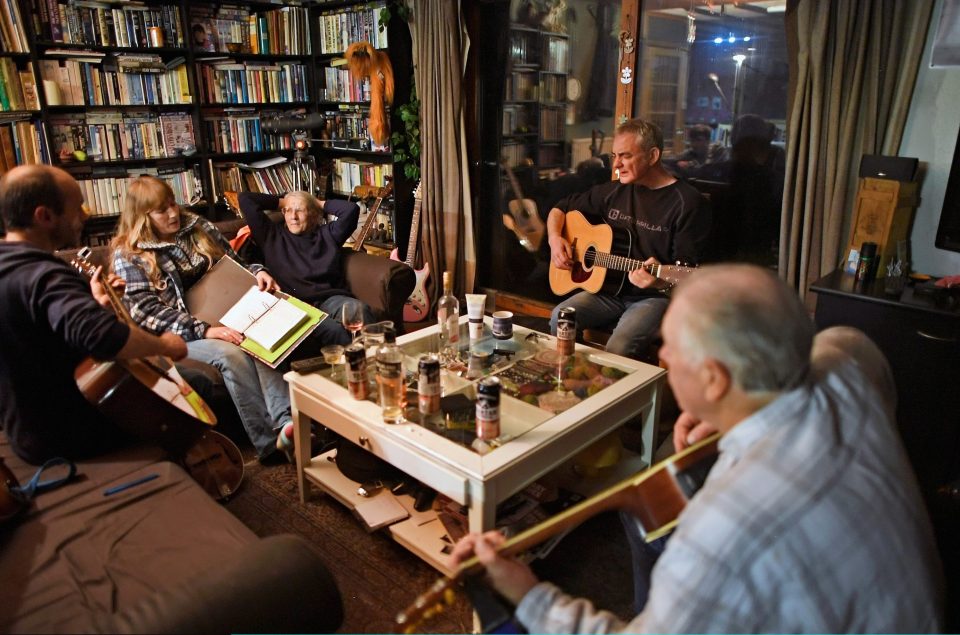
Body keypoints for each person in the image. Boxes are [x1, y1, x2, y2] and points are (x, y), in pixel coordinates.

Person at [450, 264, 944, 633]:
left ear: (714, 378)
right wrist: (726, 411)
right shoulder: (848, 368)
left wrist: (527, 593)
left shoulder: (723, 533)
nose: (661, 355)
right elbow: (841, 339)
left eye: (671, 346)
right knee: (645, 510)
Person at [0, 165, 190, 464]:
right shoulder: (44, 276)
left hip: (25, 434)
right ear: (45, 216)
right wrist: (166, 345)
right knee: (182, 399)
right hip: (73, 436)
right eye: (77, 208)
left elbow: (35, 338)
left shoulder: (9, 264)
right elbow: (104, 337)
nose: (85, 216)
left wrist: (93, 305)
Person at [111, 175, 294, 463]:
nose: (173, 213)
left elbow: (237, 263)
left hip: (230, 315)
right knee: (231, 353)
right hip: (174, 335)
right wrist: (205, 330)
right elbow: (146, 312)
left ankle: (286, 426)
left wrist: (257, 272)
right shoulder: (130, 255)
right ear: (143, 217)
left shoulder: (198, 227)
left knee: (263, 335)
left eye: (173, 203)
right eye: (162, 210)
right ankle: (269, 445)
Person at [547, 118, 711, 361]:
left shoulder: (687, 203)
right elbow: (559, 209)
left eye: (625, 156)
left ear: (653, 155)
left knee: (619, 348)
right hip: (607, 291)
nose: (616, 164)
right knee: (560, 318)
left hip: (653, 298)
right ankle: (573, 380)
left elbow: (688, 275)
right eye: (614, 156)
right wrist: (554, 240)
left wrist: (658, 283)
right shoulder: (615, 191)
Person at [237, 190, 375, 349]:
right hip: (293, 304)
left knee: (359, 310)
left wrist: (313, 202)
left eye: (300, 210)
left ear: (313, 214)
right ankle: (356, 364)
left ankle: (376, 359)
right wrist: (286, 202)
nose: (293, 217)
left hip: (329, 299)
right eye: (288, 211)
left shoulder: (328, 235)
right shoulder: (271, 235)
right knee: (333, 330)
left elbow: (350, 210)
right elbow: (246, 198)